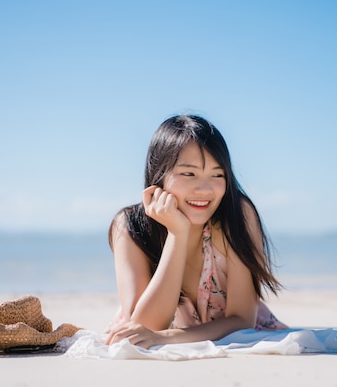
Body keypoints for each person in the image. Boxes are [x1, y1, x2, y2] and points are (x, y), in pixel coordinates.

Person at [105, 114, 287, 349]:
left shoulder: (236, 215)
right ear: (158, 175)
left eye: (217, 174)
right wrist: (177, 234)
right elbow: (143, 326)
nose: (205, 189)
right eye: (188, 173)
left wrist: (166, 338)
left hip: (231, 335)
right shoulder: (130, 225)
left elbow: (242, 320)